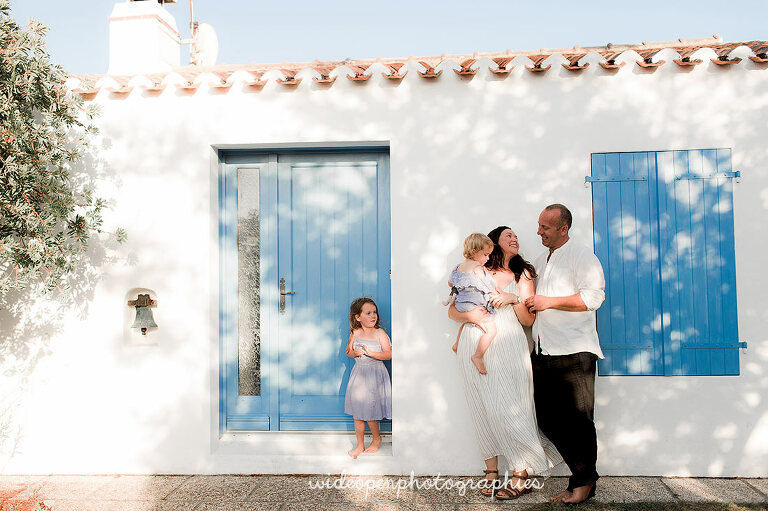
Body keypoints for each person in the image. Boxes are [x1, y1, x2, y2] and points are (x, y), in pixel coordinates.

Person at [449, 226, 562, 500]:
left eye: (516, 236)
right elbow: (453, 310)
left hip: (508, 343)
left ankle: (520, 471)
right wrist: (474, 318)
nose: (515, 239)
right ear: (493, 243)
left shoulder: (522, 273)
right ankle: (490, 470)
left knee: (511, 407)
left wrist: (513, 299)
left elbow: (528, 320)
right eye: (508, 235)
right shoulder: (475, 271)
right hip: (473, 342)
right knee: (481, 406)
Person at [524, 204, 605, 504]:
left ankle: (583, 483)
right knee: (546, 417)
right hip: (544, 351)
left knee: (580, 421)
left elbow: (593, 298)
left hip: (574, 352)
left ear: (563, 228)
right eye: (539, 225)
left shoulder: (582, 255)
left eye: (545, 227)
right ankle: (584, 478)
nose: (538, 232)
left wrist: (549, 302)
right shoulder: (539, 260)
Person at [344, 297, 392, 459]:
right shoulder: (355, 333)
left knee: (371, 410)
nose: (373, 316)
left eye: (374, 313)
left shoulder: (380, 333)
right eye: (368, 313)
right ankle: (359, 445)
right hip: (359, 375)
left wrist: (370, 353)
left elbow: (389, 354)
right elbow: (348, 352)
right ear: (357, 317)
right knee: (358, 412)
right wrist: (355, 353)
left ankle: (376, 439)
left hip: (375, 376)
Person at [447, 233, 498, 375]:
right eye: (486, 255)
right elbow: (487, 285)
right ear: (475, 251)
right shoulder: (477, 267)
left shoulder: (459, 266)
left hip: (460, 305)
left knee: (465, 323)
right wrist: (493, 290)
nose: (487, 259)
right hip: (475, 306)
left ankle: (457, 344)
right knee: (492, 330)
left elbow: (450, 283)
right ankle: (478, 355)